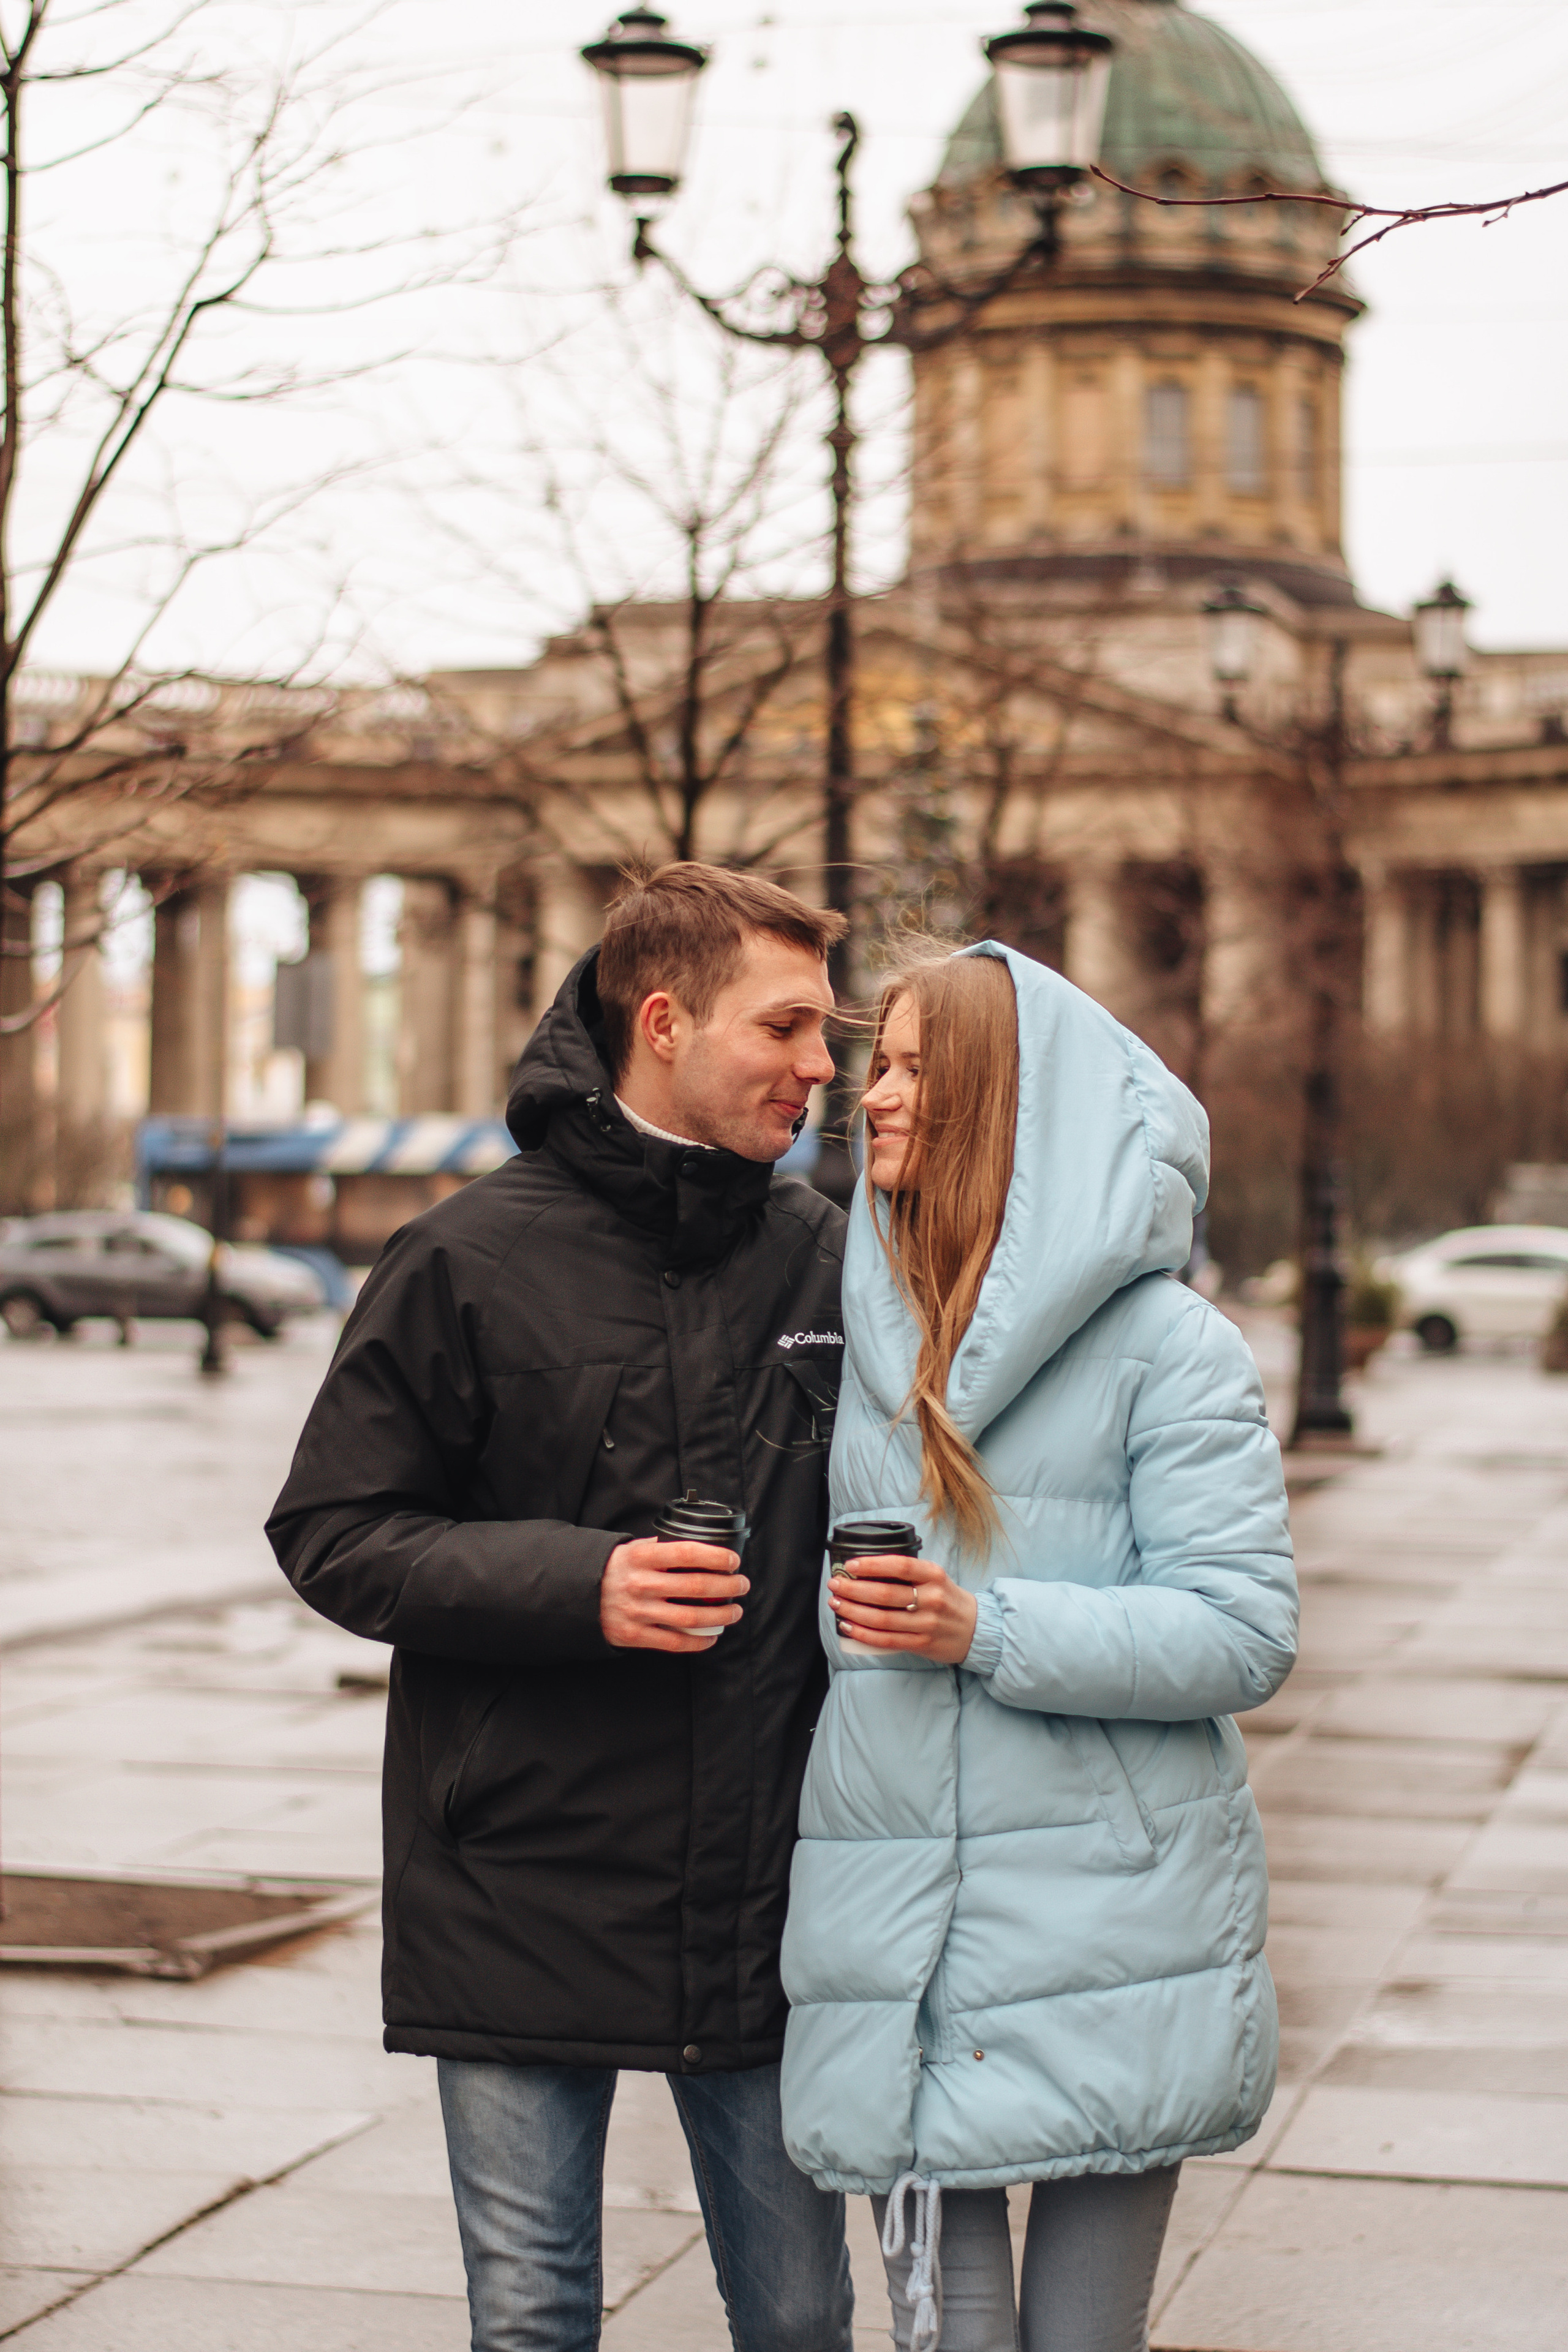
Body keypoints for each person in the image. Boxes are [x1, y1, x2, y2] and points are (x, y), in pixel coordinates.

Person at [266, 862, 857, 2352]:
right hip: (515, 1879)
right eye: (785, 1027)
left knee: (800, 2319)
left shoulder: (831, 1257)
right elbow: (333, 1531)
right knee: (531, 2321)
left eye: (825, 1032)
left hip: (765, 1888)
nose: (820, 1065)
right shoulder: (460, 1256)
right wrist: (580, 1582)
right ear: (663, 1022)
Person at [778, 942, 1296, 2352]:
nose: (869, 1095)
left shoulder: (1168, 1347)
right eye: (874, 1064)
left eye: (908, 1070)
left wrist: (983, 1626)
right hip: (901, 1935)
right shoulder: (868, 1330)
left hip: (1113, 1929)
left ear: (1001, 1105)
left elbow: (1242, 1631)